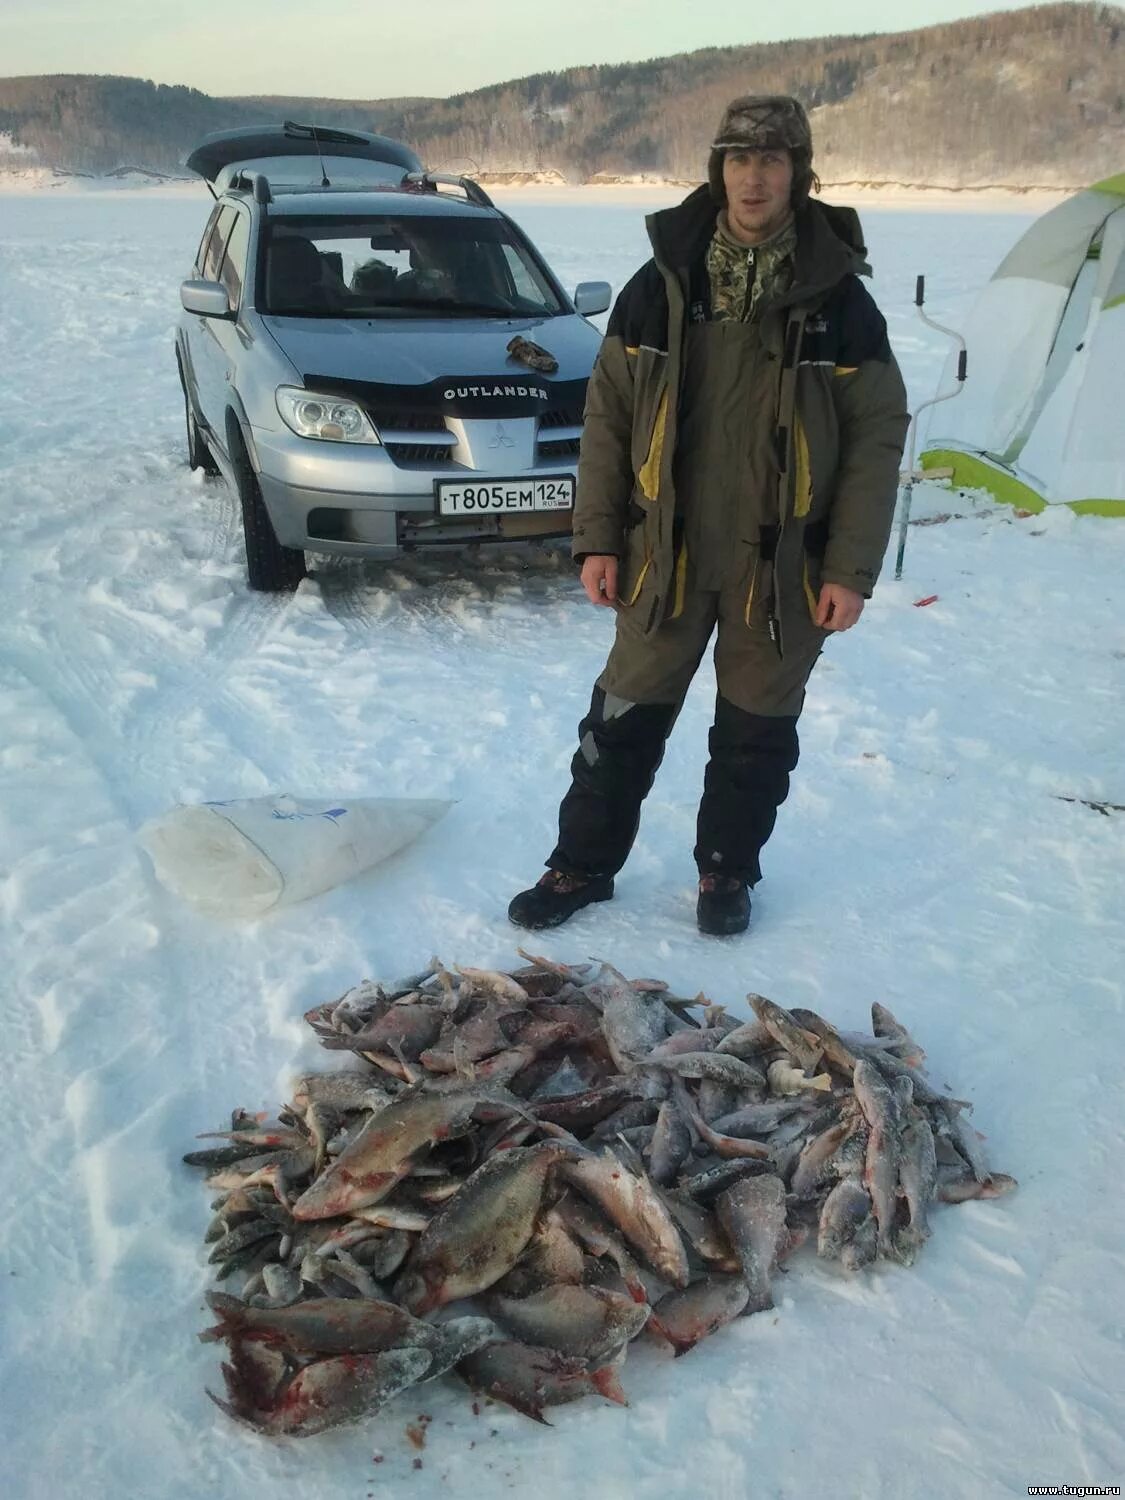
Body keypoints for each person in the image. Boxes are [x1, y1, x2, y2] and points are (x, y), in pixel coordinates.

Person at [508, 95, 910, 937]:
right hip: (666, 554)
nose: (753, 176)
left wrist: (847, 568)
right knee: (620, 719)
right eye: (737, 159)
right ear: (716, 169)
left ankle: (725, 873)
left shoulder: (839, 301)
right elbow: (608, 421)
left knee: (754, 735)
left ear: (799, 173)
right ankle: (579, 864)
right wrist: (596, 538)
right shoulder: (660, 286)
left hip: (782, 564)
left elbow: (875, 439)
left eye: (771, 160)